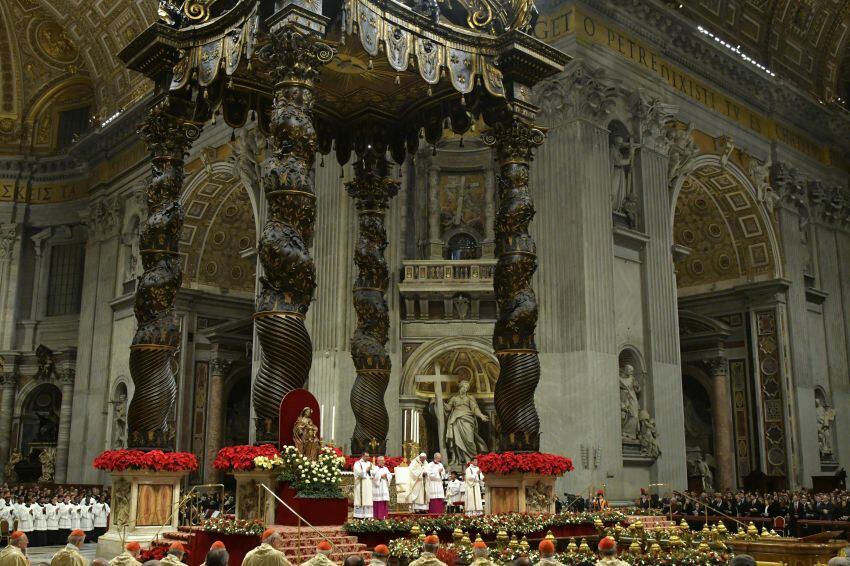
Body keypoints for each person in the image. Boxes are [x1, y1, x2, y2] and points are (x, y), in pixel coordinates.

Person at [353, 453, 373, 519]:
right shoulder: (357, 463)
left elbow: (374, 473)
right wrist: (366, 470)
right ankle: (359, 516)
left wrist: (371, 472)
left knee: (368, 498)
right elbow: (357, 473)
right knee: (360, 499)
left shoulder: (370, 463)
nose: (368, 457)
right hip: (361, 484)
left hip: (368, 484)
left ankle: (368, 515)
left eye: (368, 456)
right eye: (366, 456)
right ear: (362, 456)